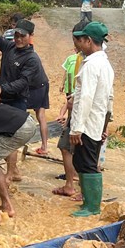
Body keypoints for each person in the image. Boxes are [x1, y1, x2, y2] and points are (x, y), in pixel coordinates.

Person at [0, 0, 50, 179]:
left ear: (30, 37)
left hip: (17, 101)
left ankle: (11, 172)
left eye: (22, 36)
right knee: (3, 134)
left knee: (10, 136)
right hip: (5, 99)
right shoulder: (9, 47)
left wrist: (2, 89)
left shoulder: (32, 59)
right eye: (16, 35)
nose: (18, 39)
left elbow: (23, 82)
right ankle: (11, 170)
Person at [69, 21, 114, 217]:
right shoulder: (105, 64)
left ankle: (92, 207)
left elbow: (86, 97)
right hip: (97, 121)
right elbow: (109, 97)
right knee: (84, 161)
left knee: (86, 163)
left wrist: (77, 128)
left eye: (79, 40)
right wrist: (106, 123)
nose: (77, 45)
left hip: (86, 124)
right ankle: (89, 202)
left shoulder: (91, 65)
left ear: (88, 41)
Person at [52, 22, 88, 201]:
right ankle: (75, 185)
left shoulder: (89, 60)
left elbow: (86, 93)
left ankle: (76, 187)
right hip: (78, 109)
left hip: (82, 113)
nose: (74, 43)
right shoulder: (85, 57)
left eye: (76, 39)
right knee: (73, 148)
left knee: (71, 148)